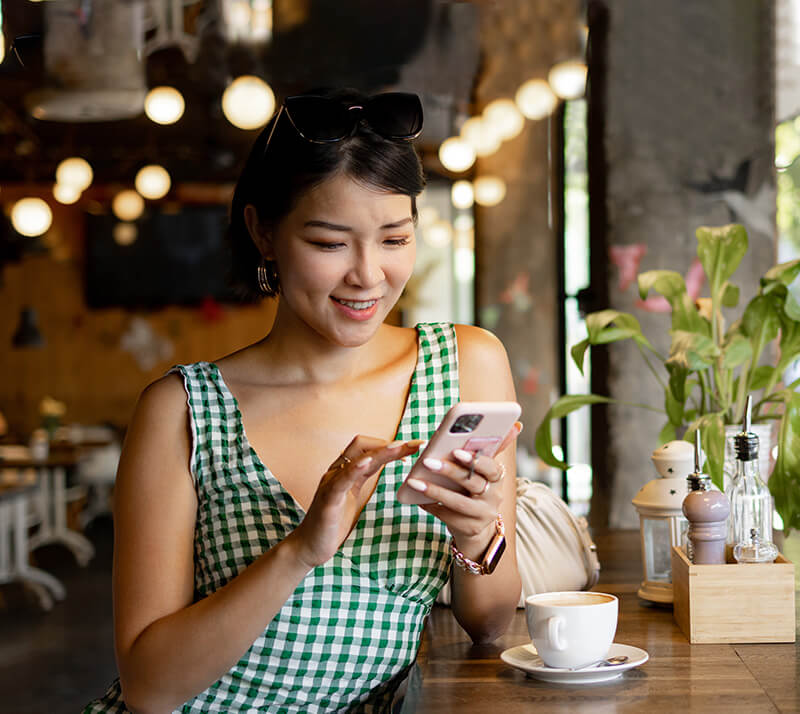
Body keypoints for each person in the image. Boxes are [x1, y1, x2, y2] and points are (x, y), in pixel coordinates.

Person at [85, 88, 521, 714]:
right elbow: (150, 689)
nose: (368, 275)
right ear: (264, 232)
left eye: (395, 240)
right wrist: (299, 552)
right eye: (328, 244)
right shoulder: (182, 411)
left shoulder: (465, 365)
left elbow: (490, 624)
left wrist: (479, 538)